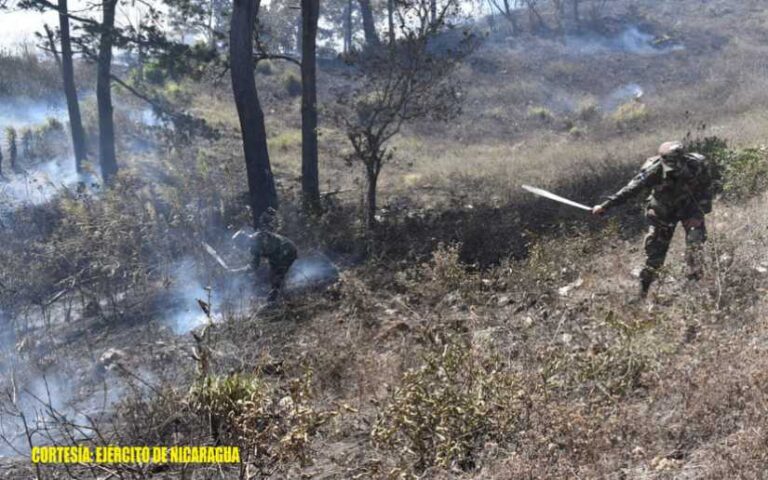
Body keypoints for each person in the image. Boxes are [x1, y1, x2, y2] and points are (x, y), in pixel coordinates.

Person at [592, 141, 713, 298]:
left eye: (677, 164)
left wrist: (699, 213)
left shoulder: (698, 164)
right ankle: (642, 293)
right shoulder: (654, 169)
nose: (674, 169)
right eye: (671, 165)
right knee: (655, 255)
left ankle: (694, 289)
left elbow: (707, 189)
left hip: (689, 207)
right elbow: (631, 189)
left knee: (695, 245)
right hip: (663, 211)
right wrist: (605, 206)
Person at [233, 207, 297, 302]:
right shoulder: (255, 241)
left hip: (286, 252)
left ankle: (281, 300)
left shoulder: (256, 241)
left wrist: (236, 271)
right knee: (274, 276)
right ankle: (282, 297)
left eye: (240, 246)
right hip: (282, 252)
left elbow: (254, 266)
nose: (241, 249)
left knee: (277, 277)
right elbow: (255, 264)